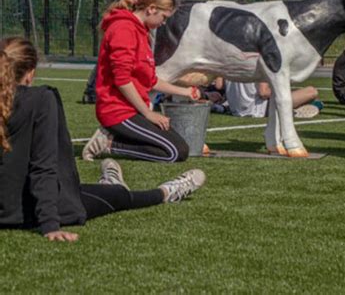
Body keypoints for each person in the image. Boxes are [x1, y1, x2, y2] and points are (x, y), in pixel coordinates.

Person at [0, 37, 206, 241]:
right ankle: (165, 192)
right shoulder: (40, 100)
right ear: (30, 73)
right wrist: (50, 225)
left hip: (14, 207)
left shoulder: (34, 100)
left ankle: (111, 183)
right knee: (118, 197)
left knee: (88, 191)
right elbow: (43, 166)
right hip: (28, 211)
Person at [82, 0, 200, 163]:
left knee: (180, 148)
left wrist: (185, 92)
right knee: (175, 153)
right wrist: (148, 113)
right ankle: (108, 144)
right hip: (118, 112)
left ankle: (114, 140)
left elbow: (150, 80)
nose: (164, 22)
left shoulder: (141, 32)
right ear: (152, 9)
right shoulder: (124, 29)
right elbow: (122, 80)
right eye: (164, 16)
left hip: (133, 110)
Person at [225, 81, 322, 119]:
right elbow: (263, 93)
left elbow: (219, 85)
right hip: (260, 109)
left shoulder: (229, 58)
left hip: (236, 108)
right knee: (312, 91)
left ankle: (296, 108)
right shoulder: (258, 58)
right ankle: (295, 110)